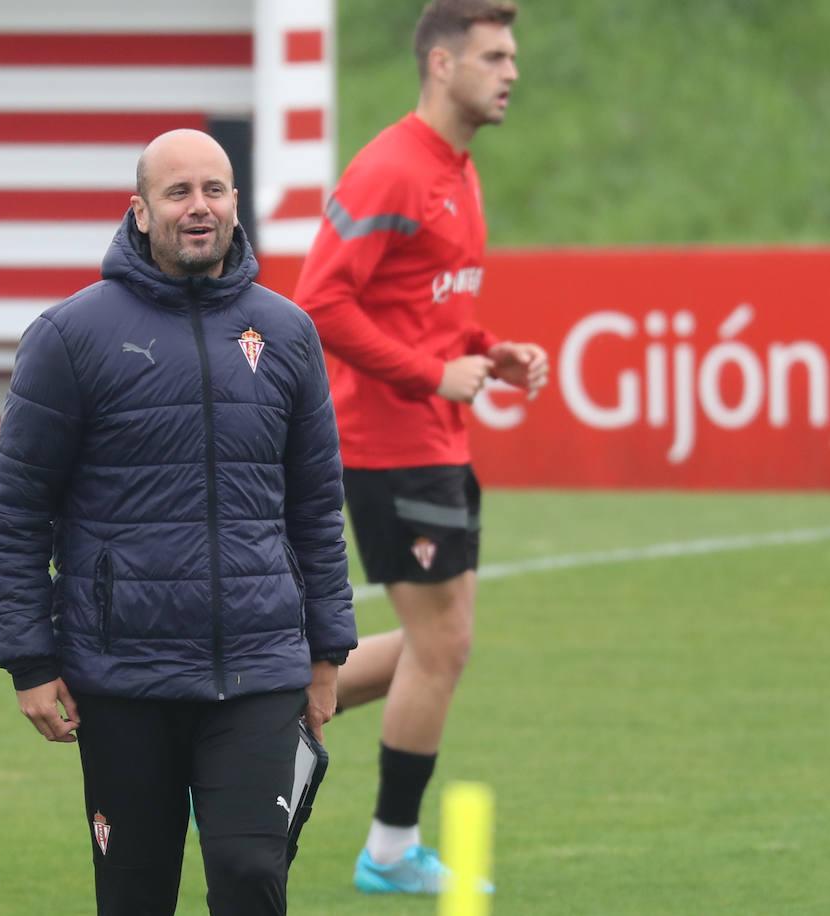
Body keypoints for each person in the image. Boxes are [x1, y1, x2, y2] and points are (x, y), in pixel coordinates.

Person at [0, 129, 358, 916]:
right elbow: (17, 511)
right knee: (134, 896)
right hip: (123, 675)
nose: (200, 208)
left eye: (214, 190)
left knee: (253, 872)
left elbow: (317, 506)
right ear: (141, 212)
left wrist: (327, 650)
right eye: (179, 193)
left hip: (259, 667)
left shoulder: (286, 333)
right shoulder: (69, 337)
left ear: (234, 204)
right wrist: (28, 658)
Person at [294, 0, 549, 896]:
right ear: (442, 64)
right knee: (442, 644)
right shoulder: (392, 168)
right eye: (494, 55)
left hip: (435, 436)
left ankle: (263, 725)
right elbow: (321, 302)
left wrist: (487, 351)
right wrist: (428, 376)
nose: (511, 70)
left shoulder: (459, 171)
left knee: (439, 642)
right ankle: (391, 850)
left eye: (513, 55)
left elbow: (430, 307)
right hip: (389, 443)